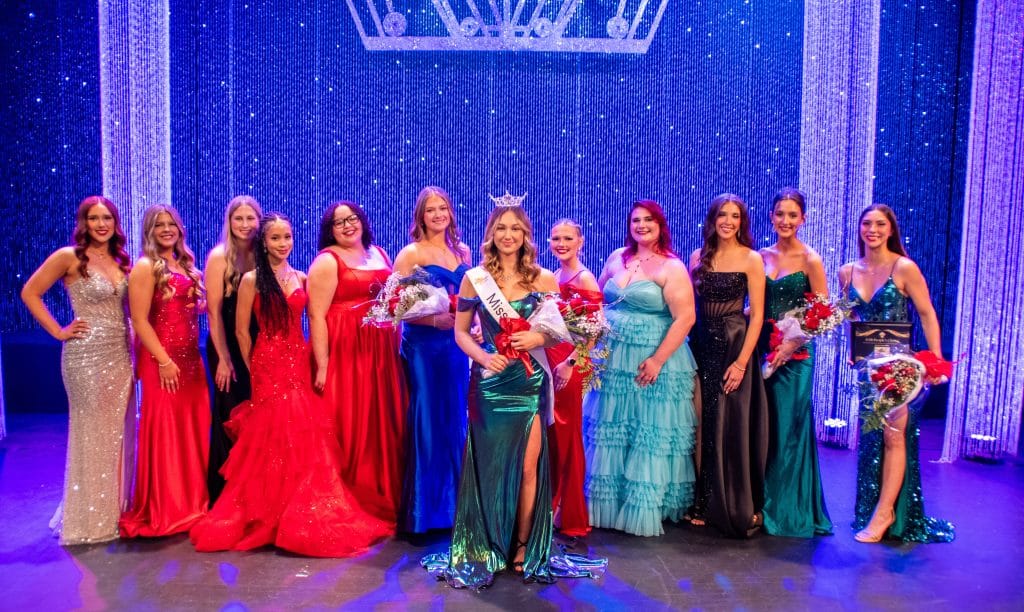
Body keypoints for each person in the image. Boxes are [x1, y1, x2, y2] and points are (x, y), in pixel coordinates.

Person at [422, 200, 605, 587]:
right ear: (491, 234)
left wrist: (538, 338)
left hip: (528, 381)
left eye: (515, 228)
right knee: (490, 465)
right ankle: (489, 540)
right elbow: (460, 333)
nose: (508, 235)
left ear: (526, 235)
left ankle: (522, 543)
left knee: (526, 468)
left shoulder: (544, 279)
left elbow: (559, 332)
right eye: (501, 228)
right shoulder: (475, 279)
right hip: (489, 382)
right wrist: (483, 358)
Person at [190, 214, 391, 556]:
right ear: (264, 243)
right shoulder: (252, 280)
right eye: (275, 238)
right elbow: (241, 330)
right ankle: (268, 510)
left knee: (302, 431)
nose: (283, 244)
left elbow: (318, 315)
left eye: (287, 237)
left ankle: (296, 505)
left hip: (298, 358)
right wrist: (256, 366)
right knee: (271, 431)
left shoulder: (301, 277)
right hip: (267, 363)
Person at [21, 196, 133, 545]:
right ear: (83, 223)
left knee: (118, 436)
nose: (101, 224)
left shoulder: (121, 260)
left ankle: (115, 510)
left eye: (107, 218)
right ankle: (88, 518)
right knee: (91, 433)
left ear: (115, 223)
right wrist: (58, 331)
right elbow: (30, 292)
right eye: (94, 218)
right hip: (85, 357)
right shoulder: (68, 257)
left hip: (121, 355)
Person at [839, 204, 954, 543]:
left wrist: (935, 361)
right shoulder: (847, 272)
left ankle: (885, 513)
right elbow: (850, 315)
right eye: (866, 223)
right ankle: (874, 508)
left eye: (880, 224)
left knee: (893, 436)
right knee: (872, 439)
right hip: (868, 369)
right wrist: (853, 348)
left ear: (891, 229)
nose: (872, 230)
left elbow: (927, 313)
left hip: (900, 369)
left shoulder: (904, 267)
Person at [584, 201, 698, 537]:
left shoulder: (672, 266)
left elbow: (685, 318)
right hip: (613, 357)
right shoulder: (617, 257)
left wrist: (658, 359)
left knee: (647, 428)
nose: (641, 225)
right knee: (613, 425)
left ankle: (643, 505)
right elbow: (596, 299)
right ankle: (607, 504)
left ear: (660, 225)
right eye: (636, 220)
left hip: (651, 354)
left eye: (648, 220)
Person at [307, 201, 406, 526]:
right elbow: (316, 315)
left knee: (380, 419)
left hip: (381, 353)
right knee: (350, 420)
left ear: (362, 220)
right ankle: (352, 494)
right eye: (339, 223)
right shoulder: (327, 261)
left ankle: (383, 491)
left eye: (351, 218)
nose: (347, 225)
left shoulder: (379, 253)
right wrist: (323, 364)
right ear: (330, 230)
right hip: (346, 352)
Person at [119, 205, 210, 538]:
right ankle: (169, 506)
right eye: (160, 225)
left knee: (191, 428)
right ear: (149, 231)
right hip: (163, 360)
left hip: (190, 359)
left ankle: (192, 502)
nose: (167, 229)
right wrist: (163, 361)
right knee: (167, 431)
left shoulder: (184, 264)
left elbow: (185, 308)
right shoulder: (146, 267)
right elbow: (139, 320)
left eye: (172, 224)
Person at [688, 193, 769, 538]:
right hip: (701, 345)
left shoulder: (752, 259)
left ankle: (730, 503)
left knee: (728, 424)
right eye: (722, 214)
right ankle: (703, 500)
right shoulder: (698, 257)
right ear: (713, 219)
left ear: (742, 222)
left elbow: (758, 315)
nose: (728, 221)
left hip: (734, 346)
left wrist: (741, 363)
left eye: (735, 216)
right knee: (702, 423)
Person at [392, 186, 471, 533]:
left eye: (443, 208)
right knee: (427, 417)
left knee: (454, 417)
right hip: (424, 347)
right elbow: (394, 307)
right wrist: (432, 320)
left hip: (455, 346)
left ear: (450, 213)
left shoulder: (462, 251)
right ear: (420, 216)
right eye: (430, 210)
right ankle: (424, 514)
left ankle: (454, 510)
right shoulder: (411, 253)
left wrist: (473, 325)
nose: (438, 215)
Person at [757, 188, 833, 537]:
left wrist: (790, 344)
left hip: (797, 356)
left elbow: (822, 314)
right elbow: (757, 305)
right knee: (766, 428)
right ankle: (761, 502)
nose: (785, 220)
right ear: (771, 217)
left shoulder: (810, 259)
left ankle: (786, 510)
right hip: (764, 350)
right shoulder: (762, 256)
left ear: (803, 219)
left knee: (789, 428)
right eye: (779, 214)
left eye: (792, 215)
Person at [203, 195, 262, 503]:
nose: (245, 224)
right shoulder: (219, 257)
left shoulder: (263, 254)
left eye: (250, 218)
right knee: (230, 415)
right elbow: (213, 314)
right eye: (238, 218)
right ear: (229, 222)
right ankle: (227, 494)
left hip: (256, 343)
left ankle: (256, 489)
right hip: (225, 344)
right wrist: (224, 360)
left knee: (258, 415)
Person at [545, 219, 600, 538]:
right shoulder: (553, 276)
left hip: (570, 363)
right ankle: (552, 504)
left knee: (567, 433)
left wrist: (570, 362)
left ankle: (570, 511)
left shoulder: (585, 278)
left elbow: (593, 332)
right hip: (551, 359)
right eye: (556, 238)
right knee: (553, 434)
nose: (561, 243)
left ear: (581, 241)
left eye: (568, 238)